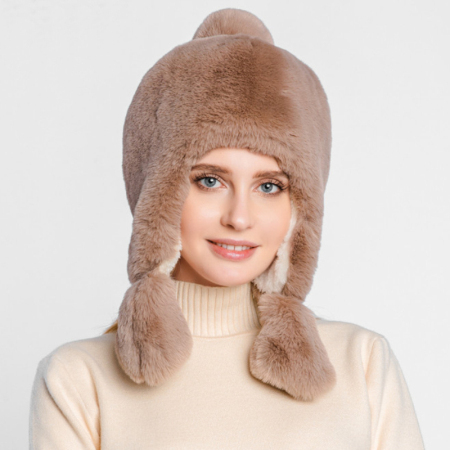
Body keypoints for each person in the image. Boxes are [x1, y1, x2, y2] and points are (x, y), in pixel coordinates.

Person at [29, 8, 425, 449]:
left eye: (270, 186)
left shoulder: (360, 362)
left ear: (301, 209)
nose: (239, 217)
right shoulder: (79, 378)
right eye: (209, 181)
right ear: (156, 191)